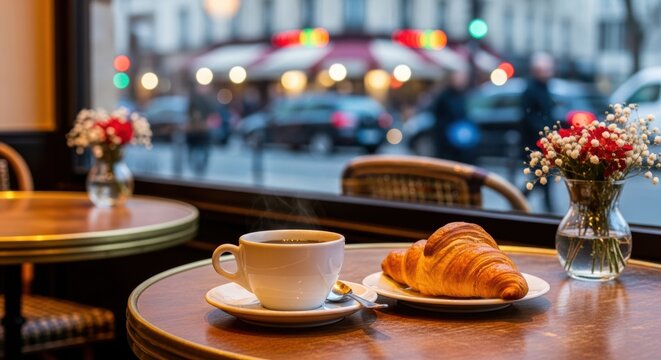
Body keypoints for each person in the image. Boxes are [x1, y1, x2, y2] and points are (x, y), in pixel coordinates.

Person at [520, 52, 556, 212]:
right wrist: (543, 131)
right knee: (540, 175)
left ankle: (522, 199)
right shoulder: (531, 90)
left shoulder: (545, 88)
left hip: (544, 141)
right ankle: (521, 199)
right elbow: (529, 117)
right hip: (534, 142)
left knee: (543, 175)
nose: (549, 73)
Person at [430, 69, 479, 164]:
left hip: (459, 138)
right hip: (446, 139)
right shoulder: (444, 96)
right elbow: (437, 114)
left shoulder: (462, 95)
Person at [186, 84, 215, 176]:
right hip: (194, 129)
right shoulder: (193, 99)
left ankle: (202, 165)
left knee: (205, 147)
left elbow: (211, 111)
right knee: (192, 147)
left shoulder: (208, 99)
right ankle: (193, 163)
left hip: (203, 129)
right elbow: (189, 112)